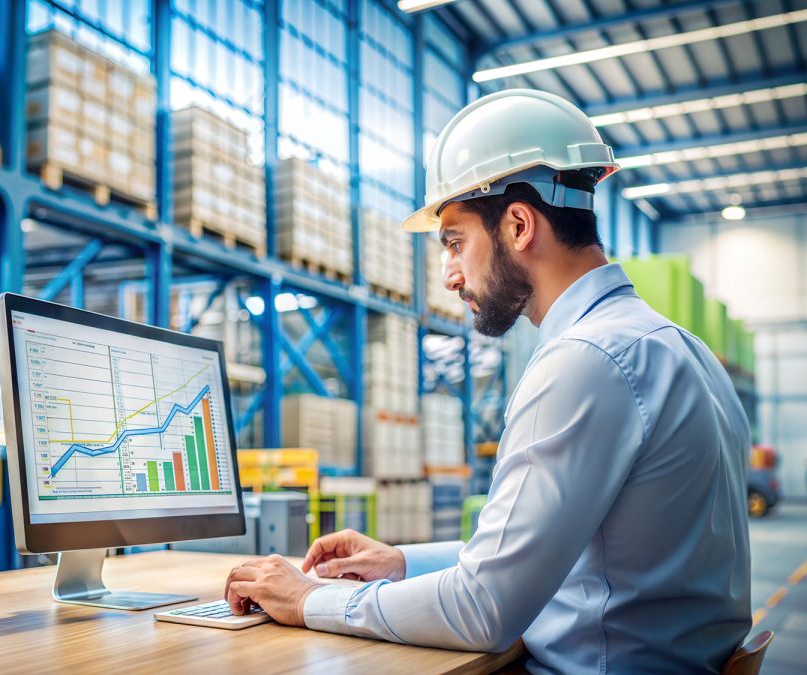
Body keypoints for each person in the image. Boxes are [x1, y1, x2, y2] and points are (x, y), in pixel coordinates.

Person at [223, 89, 752, 673]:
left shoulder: (585, 362)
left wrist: (313, 600)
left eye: (455, 243)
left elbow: (483, 608)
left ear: (519, 225)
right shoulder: (680, 349)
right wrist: (401, 563)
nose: (449, 276)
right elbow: (550, 557)